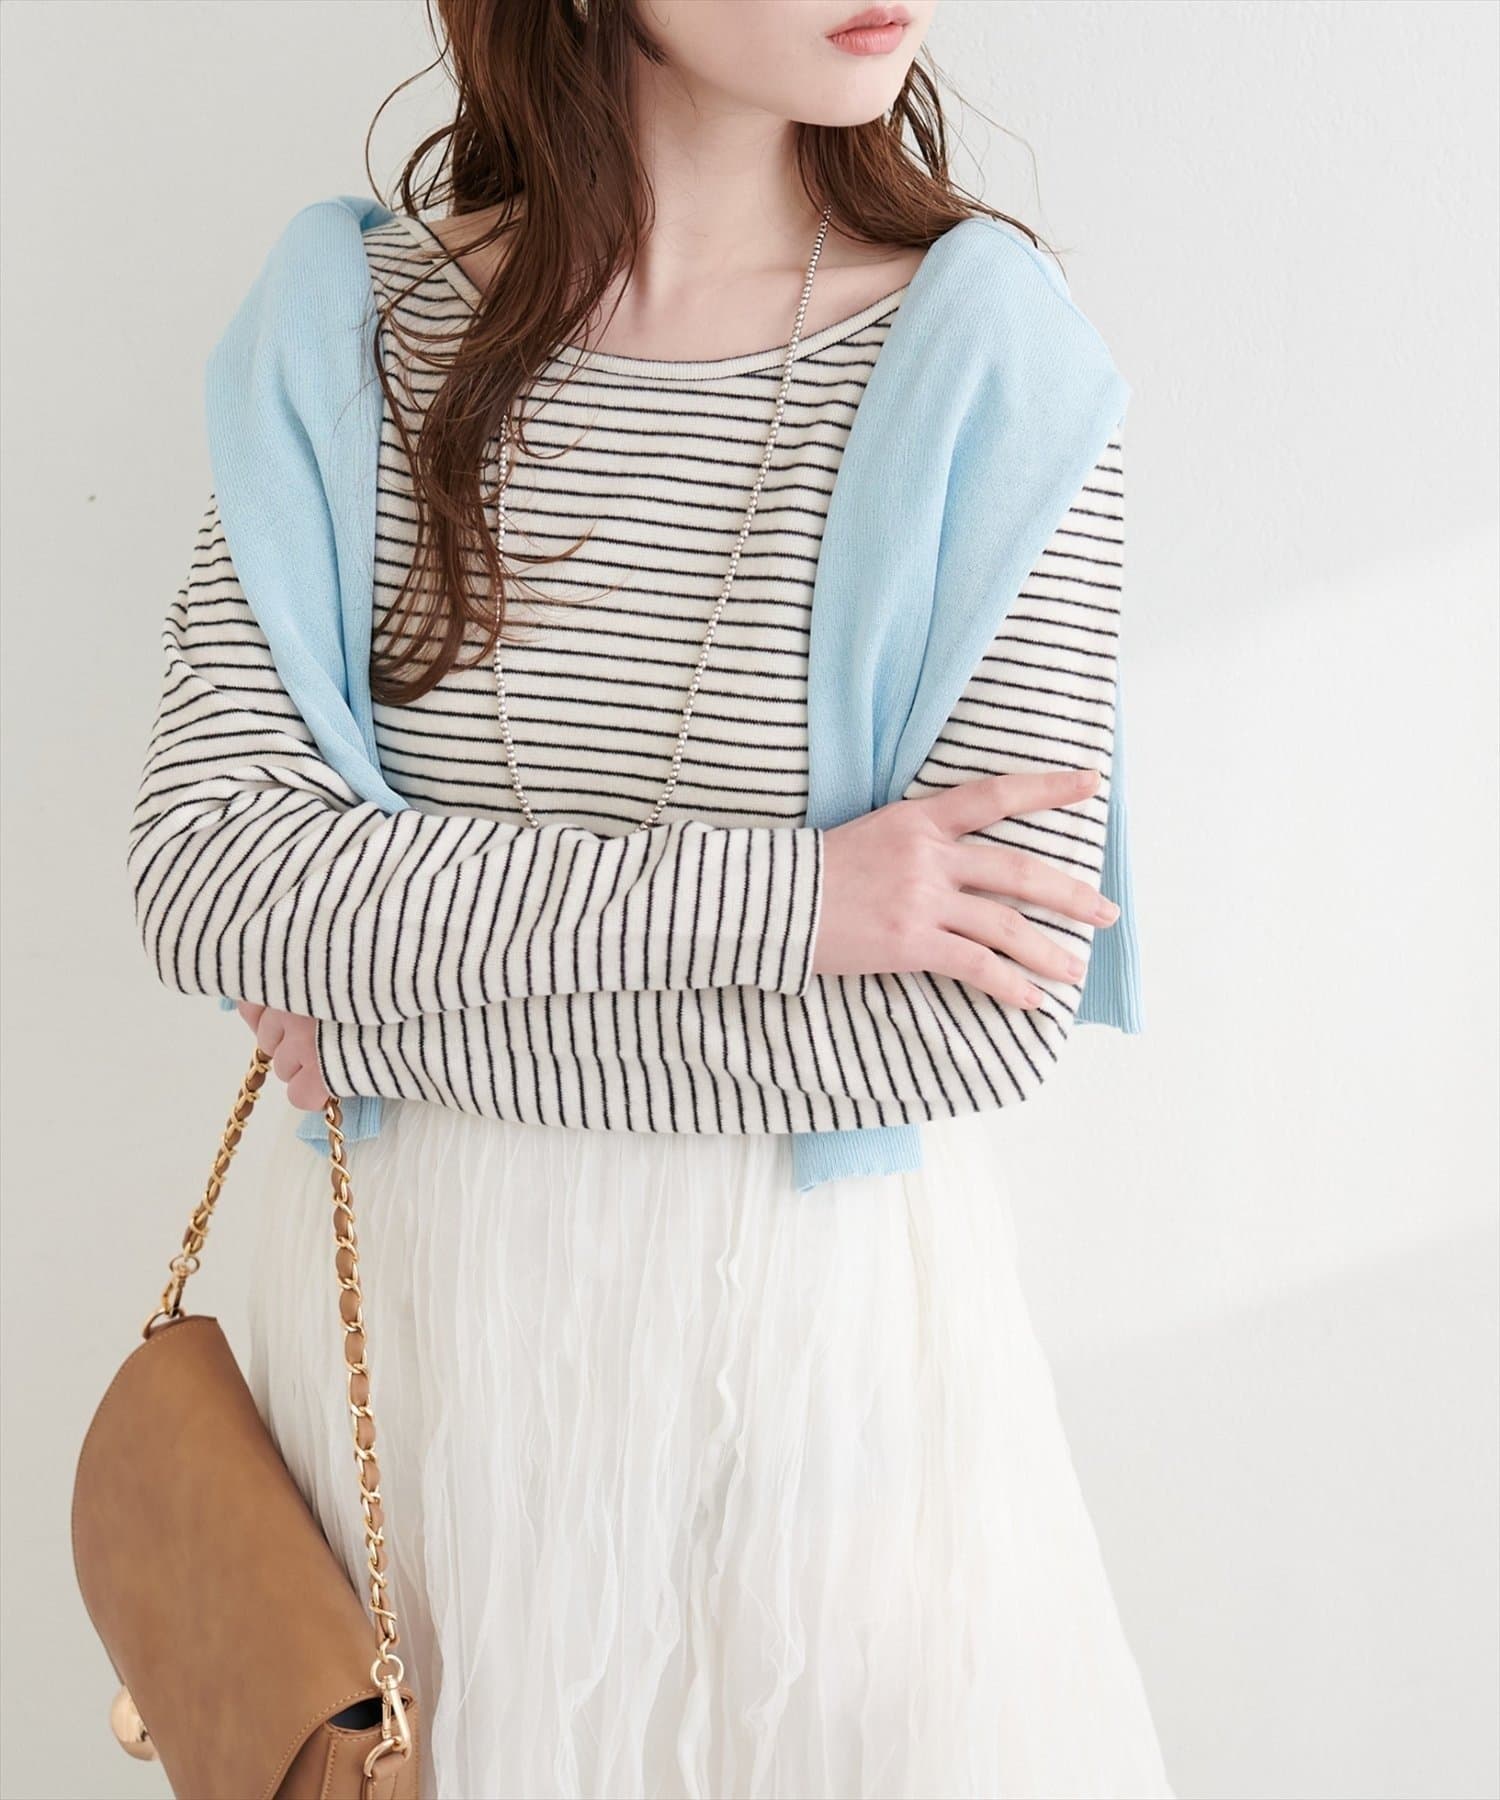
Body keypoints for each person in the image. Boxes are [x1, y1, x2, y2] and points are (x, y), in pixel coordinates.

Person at [128, 1, 1172, 1793]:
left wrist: (379, 1017)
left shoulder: (989, 362)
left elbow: (966, 1027)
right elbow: (210, 871)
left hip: (811, 1389)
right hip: (414, 1368)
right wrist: (807, 906)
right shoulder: (350, 333)